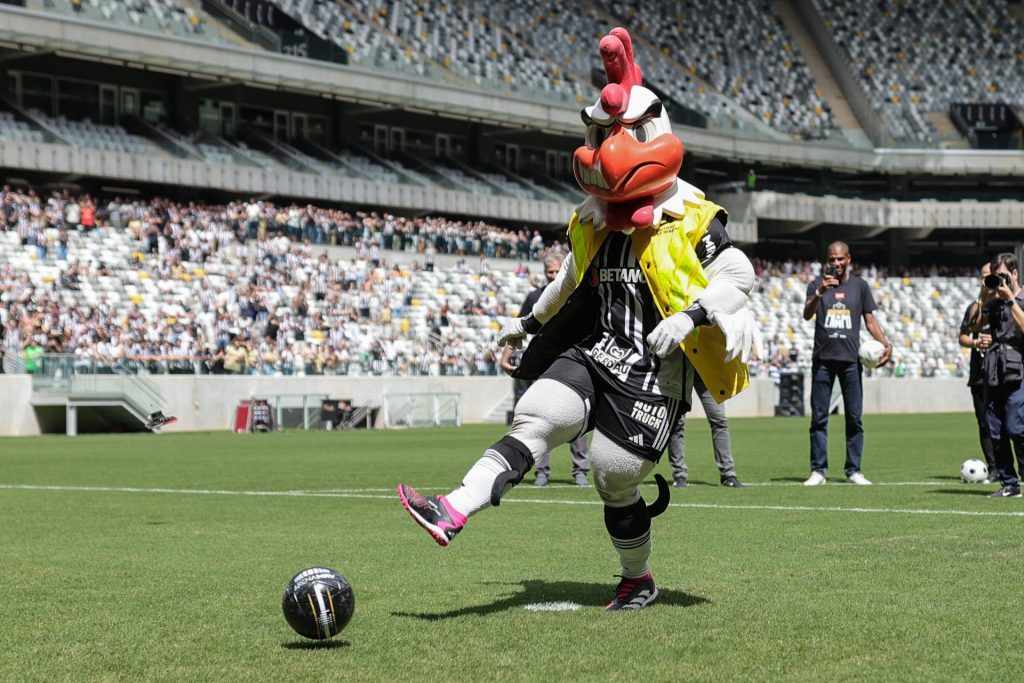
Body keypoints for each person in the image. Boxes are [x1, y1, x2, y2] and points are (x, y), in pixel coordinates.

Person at [397, 28, 761, 611]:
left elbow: (739, 274)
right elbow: (568, 279)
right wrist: (531, 324)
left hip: (654, 374)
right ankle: (454, 507)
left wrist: (692, 318)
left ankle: (637, 578)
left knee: (614, 477)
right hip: (596, 351)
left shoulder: (692, 216)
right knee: (536, 417)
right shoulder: (591, 221)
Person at [802, 241, 892, 486]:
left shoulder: (859, 286)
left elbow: (870, 321)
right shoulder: (816, 285)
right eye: (832, 259)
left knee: (854, 417)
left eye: (840, 259)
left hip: (851, 361)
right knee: (819, 418)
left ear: (848, 259)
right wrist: (820, 292)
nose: (836, 264)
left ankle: (854, 470)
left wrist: (886, 343)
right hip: (822, 360)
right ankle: (818, 471)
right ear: (827, 260)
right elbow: (807, 314)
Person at [500, 252, 590, 487]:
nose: (552, 275)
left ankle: (580, 471)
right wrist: (505, 357)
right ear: (543, 272)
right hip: (542, 363)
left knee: (576, 416)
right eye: (549, 272)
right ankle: (542, 471)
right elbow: (519, 328)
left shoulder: (578, 294)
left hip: (573, 362)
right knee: (539, 418)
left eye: (556, 271)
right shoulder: (534, 298)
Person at [976, 253, 1024, 498]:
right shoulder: (993, 301)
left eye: (1004, 275)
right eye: (997, 277)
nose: (1001, 281)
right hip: (995, 370)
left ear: (1015, 274)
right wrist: (985, 295)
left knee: (1017, 427)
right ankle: (1009, 484)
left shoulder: (1022, 298)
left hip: (1020, 370)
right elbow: (974, 324)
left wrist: (1011, 301)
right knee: (996, 430)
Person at [958, 261, 999, 483]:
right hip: (980, 373)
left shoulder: (1007, 304)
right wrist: (976, 343)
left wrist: (995, 340)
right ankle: (993, 469)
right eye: (983, 275)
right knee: (984, 423)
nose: (986, 279)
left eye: (990, 274)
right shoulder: (975, 307)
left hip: (1003, 371)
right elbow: (963, 336)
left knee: (1011, 422)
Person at [665, 375, 743, 488]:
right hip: (680, 370)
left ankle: (728, 475)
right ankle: (679, 475)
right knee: (677, 423)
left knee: (719, 421)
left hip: (706, 370)